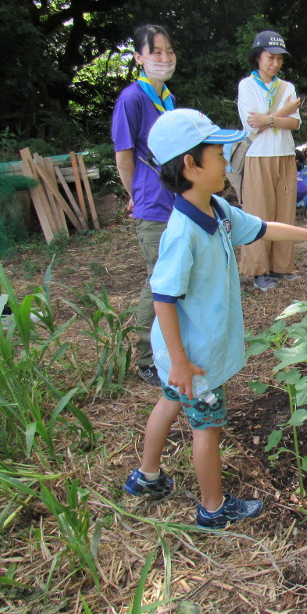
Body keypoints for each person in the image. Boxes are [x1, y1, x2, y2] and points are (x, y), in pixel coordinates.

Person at [123, 108, 307, 528]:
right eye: (218, 154)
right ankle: (213, 508)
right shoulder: (182, 233)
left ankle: (147, 476)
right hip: (194, 359)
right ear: (191, 165)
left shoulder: (217, 209)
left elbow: (263, 228)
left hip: (183, 355)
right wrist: (180, 362)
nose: (227, 161)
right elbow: (162, 298)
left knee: (169, 402)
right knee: (206, 429)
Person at [112, 24, 178, 387]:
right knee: (158, 281)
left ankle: (170, 347)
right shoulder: (132, 99)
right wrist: (135, 195)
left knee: (174, 276)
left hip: (175, 201)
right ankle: (145, 357)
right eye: (156, 52)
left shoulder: (167, 97)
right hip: (152, 206)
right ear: (139, 57)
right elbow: (124, 157)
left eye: (169, 51)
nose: (164, 58)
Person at [237, 30, 302, 291]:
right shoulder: (247, 86)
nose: (275, 63)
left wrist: (269, 118)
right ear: (258, 57)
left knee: (285, 212)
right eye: (270, 57)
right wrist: (283, 112)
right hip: (258, 156)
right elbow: (252, 124)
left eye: (279, 59)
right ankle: (258, 270)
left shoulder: (287, 87)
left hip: (285, 154)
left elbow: (294, 123)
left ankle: (281, 267)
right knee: (259, 213)